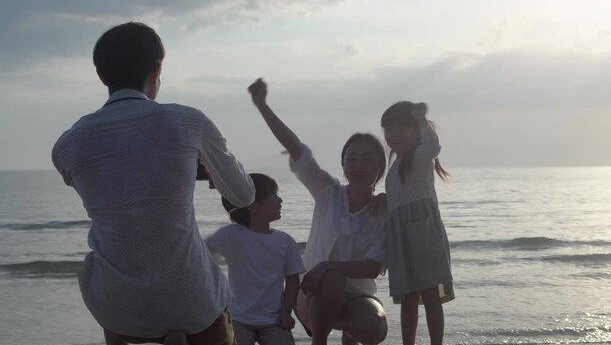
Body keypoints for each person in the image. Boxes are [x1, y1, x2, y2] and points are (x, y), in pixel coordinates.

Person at [51, 22, 255, 345]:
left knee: (106, 269)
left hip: (121, 313)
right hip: (194, 305)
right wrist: (208, 170)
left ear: (102, 76)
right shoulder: (189, 122)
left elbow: (115, 192)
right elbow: (244, 195)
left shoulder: (68, 145)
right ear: (157, 69)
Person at [247, 79, 388, 345]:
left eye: (368, 158)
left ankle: (350, 335)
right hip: (312, 296)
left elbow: (373, 266)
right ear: (343, 164)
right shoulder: (328, 192)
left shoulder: (383, 212)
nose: (359, 165)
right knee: (332, 279)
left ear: (380, 166)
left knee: (374, 325)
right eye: (352, 157)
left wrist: (327, 265)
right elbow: (296, 149)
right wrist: (263, 106)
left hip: (358, 299)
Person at [380, 101, 454, 345]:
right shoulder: (393, 169)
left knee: (431, 293)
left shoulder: (422, 156)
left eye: (402, 128)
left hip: (423, 234)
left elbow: (434, 145)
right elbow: (397, 202)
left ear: (416, 131)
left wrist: (421, 118)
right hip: (401, 239)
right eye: (389, 129)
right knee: (408, 297)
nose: (394, 134)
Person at [204, 173, 305, 345]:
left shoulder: (285, 241)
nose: (280, 200)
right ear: (252, 206)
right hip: (238, 318)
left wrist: (286, 313)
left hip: (274, 320)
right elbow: (199, 252)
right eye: (274, 195)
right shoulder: (231, 235)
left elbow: (293, 281)